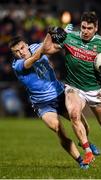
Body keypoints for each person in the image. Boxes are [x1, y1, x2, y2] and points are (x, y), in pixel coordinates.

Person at [40, 11, 101, 168]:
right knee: (74, 115)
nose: (85, 31)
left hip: (94, 89)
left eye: (89, 28)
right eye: (83, 27)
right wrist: (50, 33)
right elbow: (47, 50)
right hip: (73, 86)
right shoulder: (69, 36)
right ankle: (87, 152)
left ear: (96, 28)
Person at [8, 35, 90, 169]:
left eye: (22, 48)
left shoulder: (35, 47)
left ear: (26, 44)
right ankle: (81, 161)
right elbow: (34, 58)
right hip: (43, 104)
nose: (20, 52)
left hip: (60, 95)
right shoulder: (17, 65)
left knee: (83, 124)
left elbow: (53, 47)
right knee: (59, 129)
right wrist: (49, 35)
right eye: (16, 52)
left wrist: (64, 40)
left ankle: (86, 143)